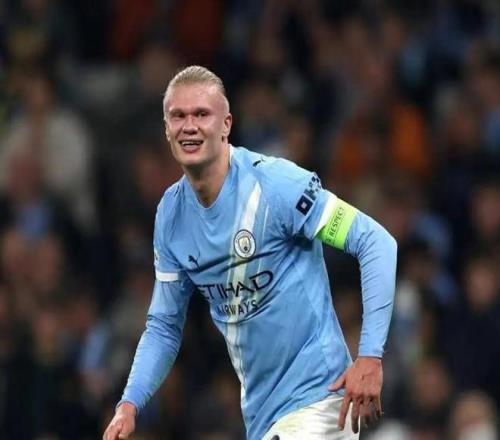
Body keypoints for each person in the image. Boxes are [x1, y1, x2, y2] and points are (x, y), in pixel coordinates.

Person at [103, 66, 397, 440]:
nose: (189, 126)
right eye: (178, 116)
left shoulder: (276, 186)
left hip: (320, 403)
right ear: (167, 129)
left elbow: (375, 242)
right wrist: (129, 404)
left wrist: (370, 355)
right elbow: (163, 326)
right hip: (262, 419)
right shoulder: (171, 217)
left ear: (226, 124)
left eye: (201, 114)